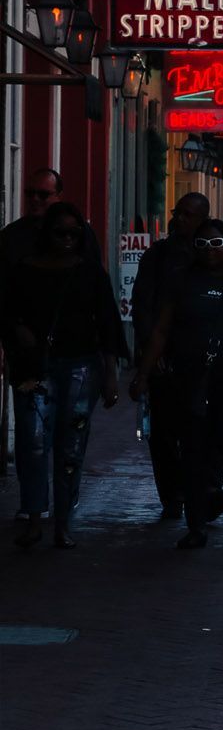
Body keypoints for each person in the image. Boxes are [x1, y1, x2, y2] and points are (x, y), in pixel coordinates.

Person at [132, 219, 223, 549]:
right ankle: (196, 526)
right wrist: (143, 373)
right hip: (190, 378)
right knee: (192, 450)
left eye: (217, 244)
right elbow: (161, 331)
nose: (210, 251)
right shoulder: (180, 282)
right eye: (203, 245)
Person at [1, 203, 122, 549]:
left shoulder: (89, 273)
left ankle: (63, 522)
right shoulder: (24, 271)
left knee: (71, 447)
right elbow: (7, 312)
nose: (67, 239)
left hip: (80, 368)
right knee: (32, 441)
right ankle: (35, 517)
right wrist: (18, 332)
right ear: (46, 235)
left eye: (74, 233)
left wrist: (111, 375)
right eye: (61, 232)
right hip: (34, 370)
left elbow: (108, 323)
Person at [130, 193, 211, 520]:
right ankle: (172, 496)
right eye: (179, 213)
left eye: (189, 215)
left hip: (201, 357)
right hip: (165, 357)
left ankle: (201, 489)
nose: (180, 220)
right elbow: (142, 304)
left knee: (202, 428)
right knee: (163, 433)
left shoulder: (212, 255)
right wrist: (151, 352)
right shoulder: (159, 255)